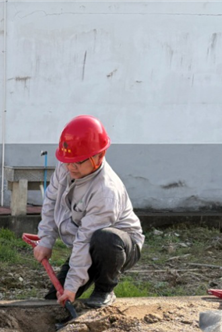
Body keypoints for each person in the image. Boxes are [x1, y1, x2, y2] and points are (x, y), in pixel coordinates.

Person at [33, 115, 144, 309]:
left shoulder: (105, 191)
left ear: (99, 156)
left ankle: (104, 290)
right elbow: (51, 201)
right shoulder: (67, 164)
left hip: (120, 246)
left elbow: (87, 238)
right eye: (68, 162)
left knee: (104, 239)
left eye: (78, 162)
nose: (71, 167)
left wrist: (72, 286)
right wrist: (45, 240)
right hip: (87, 240)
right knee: (53, 300)